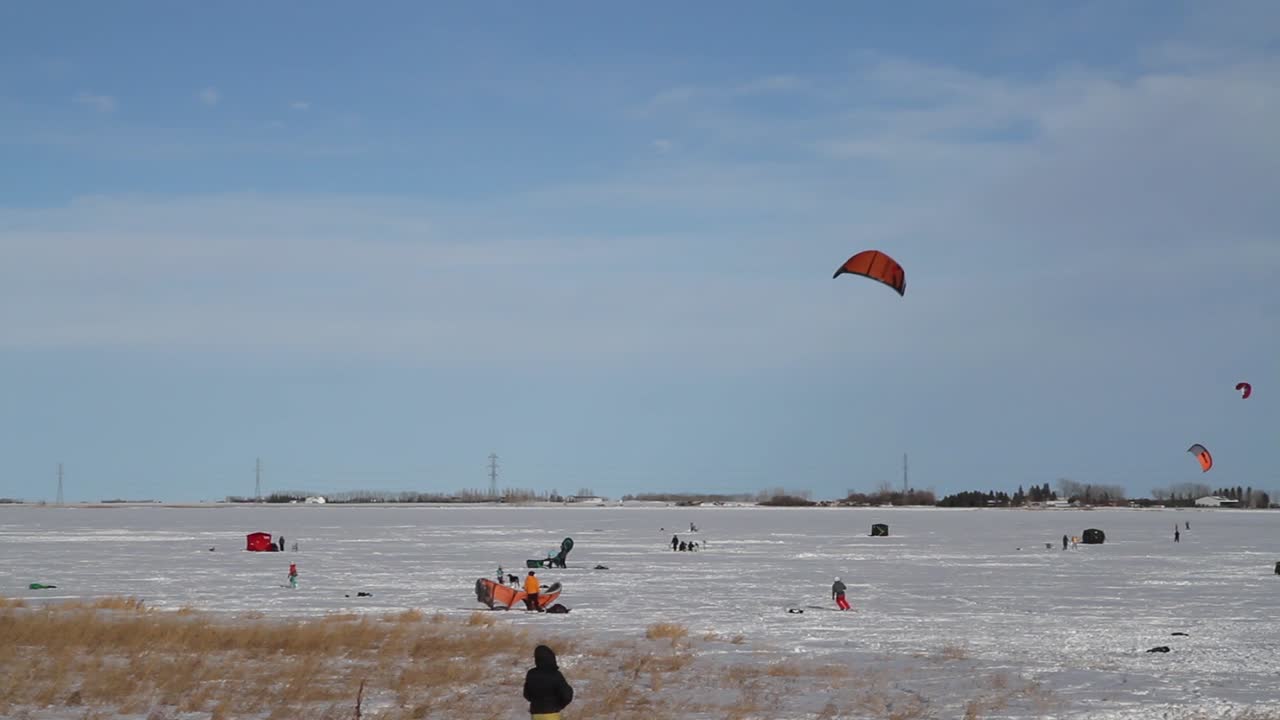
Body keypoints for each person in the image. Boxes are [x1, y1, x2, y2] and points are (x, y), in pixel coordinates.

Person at [523, 644, 573, 719]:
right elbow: (567, 695)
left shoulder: (531, 674)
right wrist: (560, 705)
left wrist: (537, 702)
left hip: (536, 714)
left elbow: (526, 694)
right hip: (552, 714)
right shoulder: (555, 674)